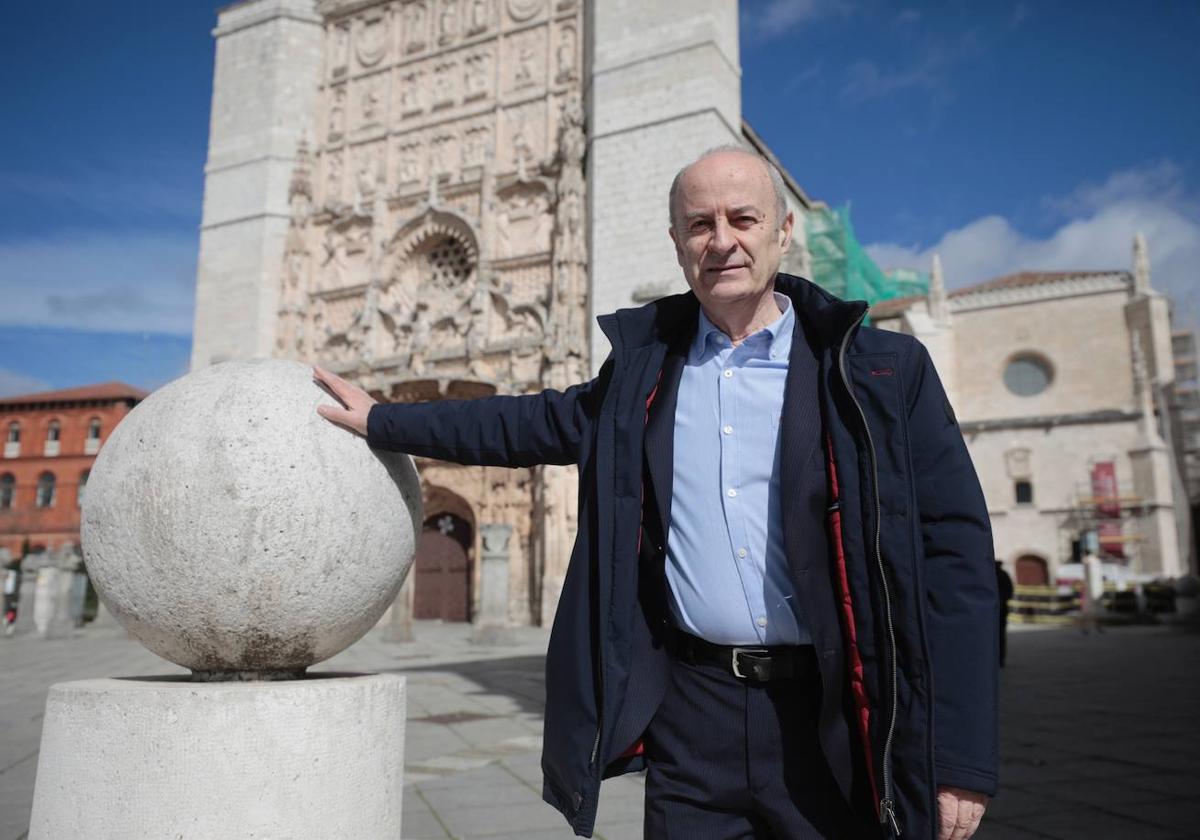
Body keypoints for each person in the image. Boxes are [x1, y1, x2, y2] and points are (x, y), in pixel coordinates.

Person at [315, 146, 998, 840]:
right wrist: (382, 419)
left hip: (833, 715)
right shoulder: (645, 376)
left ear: (783, 231)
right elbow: (523, 422)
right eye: (700, 224)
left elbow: (957, 562)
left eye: (743, 218)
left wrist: (961, 759)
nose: (722, 240)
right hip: (691, 718)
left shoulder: (878, 374)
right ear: (677, 244)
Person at [996, 561, 1013, 666]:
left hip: (1000, 610)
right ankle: (1000, 658)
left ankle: (999, 658)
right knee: (1001, 635)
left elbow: (1009, 591)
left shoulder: (993, 575)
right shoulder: (1003, 574)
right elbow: (1010, 591)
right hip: (1001, 609)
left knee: (998, 635)